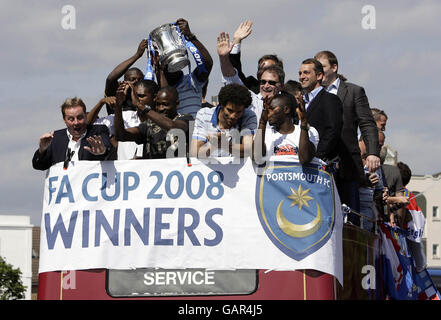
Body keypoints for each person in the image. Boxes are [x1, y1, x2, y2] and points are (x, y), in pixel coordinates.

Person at [314, 50, 380, 218]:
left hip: (346, 165)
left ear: (334, 67)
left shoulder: (353, 91)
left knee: (349, 218)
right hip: (317, 162)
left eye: (322, 67)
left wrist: (372, 152)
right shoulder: (310, 93)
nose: (318, 71)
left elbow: (367, 123)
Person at [217, 31, 284, 124]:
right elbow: (231, 77)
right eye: (263, 82)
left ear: (281, 85)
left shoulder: (290, 102)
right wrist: (223, 58)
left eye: (271, 82)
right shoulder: (251, 99)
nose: (266, 85)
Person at [113, 83, 192, 160]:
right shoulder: (149, 125)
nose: (161, 108)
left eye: (165, 104)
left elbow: (173, 127)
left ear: (177, 104)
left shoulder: (185, 119)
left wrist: (139, 105)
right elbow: (121, 136)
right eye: (158, 104)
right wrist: (118, 105)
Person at [154, 18, 213, 119]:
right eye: (165, 64)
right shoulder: (160, 93)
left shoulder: (191, 82)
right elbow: (166, 90)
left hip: (193, 132)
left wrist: (190, 36)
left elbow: (207, 63)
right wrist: (157, 67)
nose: (170, 67)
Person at [32, 97, 113, 171]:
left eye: (80, 118)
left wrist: (102, 150)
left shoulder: (98, 130)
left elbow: (107, 147)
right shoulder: (56, 138)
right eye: (71, 119)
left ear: (85, 116)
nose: (76, 122)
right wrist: (42, 150)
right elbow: (39, 166)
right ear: (64, 120)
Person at [87, 80, 159, 159]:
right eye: (135, 96)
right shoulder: (124, 117)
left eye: (141, 96)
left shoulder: (163, 122)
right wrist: (103, 102)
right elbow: (88, 124)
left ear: (155, 97)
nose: (137, 99)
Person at [191, 83, 256, 158]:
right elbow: (195, 151)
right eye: (230, 110)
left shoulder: (249, 116)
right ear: (221, 105)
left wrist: (225, 145)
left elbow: (248, 150)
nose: (233, 116)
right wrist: (213, 146)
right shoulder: (204, 114)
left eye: (239, 112)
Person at [253, 91, 318, 165]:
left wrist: (303, 123)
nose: (268, 113)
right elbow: (256, 157)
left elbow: (305, 159)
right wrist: (262, 122)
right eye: (266, 110)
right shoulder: (265, 133)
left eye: (271, 109)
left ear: (286, 109)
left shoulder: (310, 132)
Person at [298, 58, 343, 163]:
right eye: (300, 73)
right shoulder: (301, 101)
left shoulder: (330, 99)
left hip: (319, 164)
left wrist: (316, 157)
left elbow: (332, 132)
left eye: (306, 73)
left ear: (319, 76)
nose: (301, 77)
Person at [228, 20, 283, 94]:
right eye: (261, 68)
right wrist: (237, 40)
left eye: (268, 69)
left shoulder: (289, 97)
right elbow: (235, 72)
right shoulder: (251, 88)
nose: (264, 72)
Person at [397, 161, 427, 272]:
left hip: (402, 247)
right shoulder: (411, 196)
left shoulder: (403, 195)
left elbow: (415, 240)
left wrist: (420, 265)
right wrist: (420, 265)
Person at [104, 39, 147, 115]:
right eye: (132, 79)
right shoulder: (119, 95)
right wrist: (137, 55)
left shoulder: (146, 98)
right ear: (124, 81)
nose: (137, 81)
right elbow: (110, 79)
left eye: (140, 79)